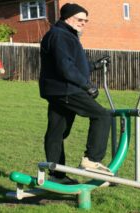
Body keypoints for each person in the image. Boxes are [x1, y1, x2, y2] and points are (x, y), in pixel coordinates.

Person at [39, 3, 112, 184]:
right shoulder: (60, 35)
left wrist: (94, 65)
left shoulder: (64, 35)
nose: (83, 23)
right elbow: (65, 66)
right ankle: (91, 161)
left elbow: (73, 64)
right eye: (80, 19)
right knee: (102, 115)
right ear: (67, 17)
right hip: (66, 89)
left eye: (86, 20)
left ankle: (56, 176)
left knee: (56, 133)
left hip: (57, 90)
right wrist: (86, 86)